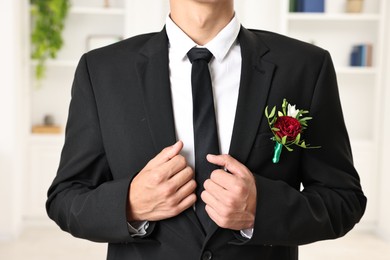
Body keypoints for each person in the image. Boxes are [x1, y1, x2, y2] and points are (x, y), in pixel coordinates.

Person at [46, 0, 367, 259]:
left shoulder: (305, 66)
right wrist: (129, 204)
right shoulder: (101, 70)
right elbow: (65, 199)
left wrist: (262, 209)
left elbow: (343, 201)